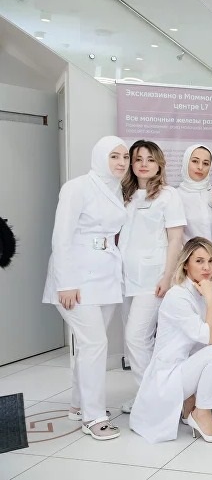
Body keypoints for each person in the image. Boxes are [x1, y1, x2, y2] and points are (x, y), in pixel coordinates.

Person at [42, 136, 129, 439]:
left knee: (90, 345)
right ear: (100, 157)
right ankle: (94, 417)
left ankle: (78, 405)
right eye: (114, 156)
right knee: (95, 345)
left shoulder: (116, 189)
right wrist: (66, 283)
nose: (121, 162)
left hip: (105, 276)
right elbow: (61, 237)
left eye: (125, 157)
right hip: (77, 279)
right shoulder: (77, 187)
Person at [130, 237, 212, 443]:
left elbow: (201, 345)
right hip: (169, 376)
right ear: (186, 264)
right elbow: (211, 339)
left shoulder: (199, 292)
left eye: (211, 261)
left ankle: (190, 404)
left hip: (187, 368)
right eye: (199, 261)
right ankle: (201, 414)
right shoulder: (178, 296)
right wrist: (211, 298)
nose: (206, 267)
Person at [119, 140, 186, 413]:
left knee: (136, 337)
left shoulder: (168, 195)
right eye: (138, 159)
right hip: (125, 278)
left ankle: (153, 399)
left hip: (153, 277)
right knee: (135, 340)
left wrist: (167, 276)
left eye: (150, 159)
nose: (144, 164)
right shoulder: (124, 194)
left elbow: (175, 239)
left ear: (159, 164)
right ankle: (147, 395)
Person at [177, 144, 212, 243]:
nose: (200, 167)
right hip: (188, 252)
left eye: (205, 163)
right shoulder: (175, 196)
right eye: (195, 161)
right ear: (186, 162)